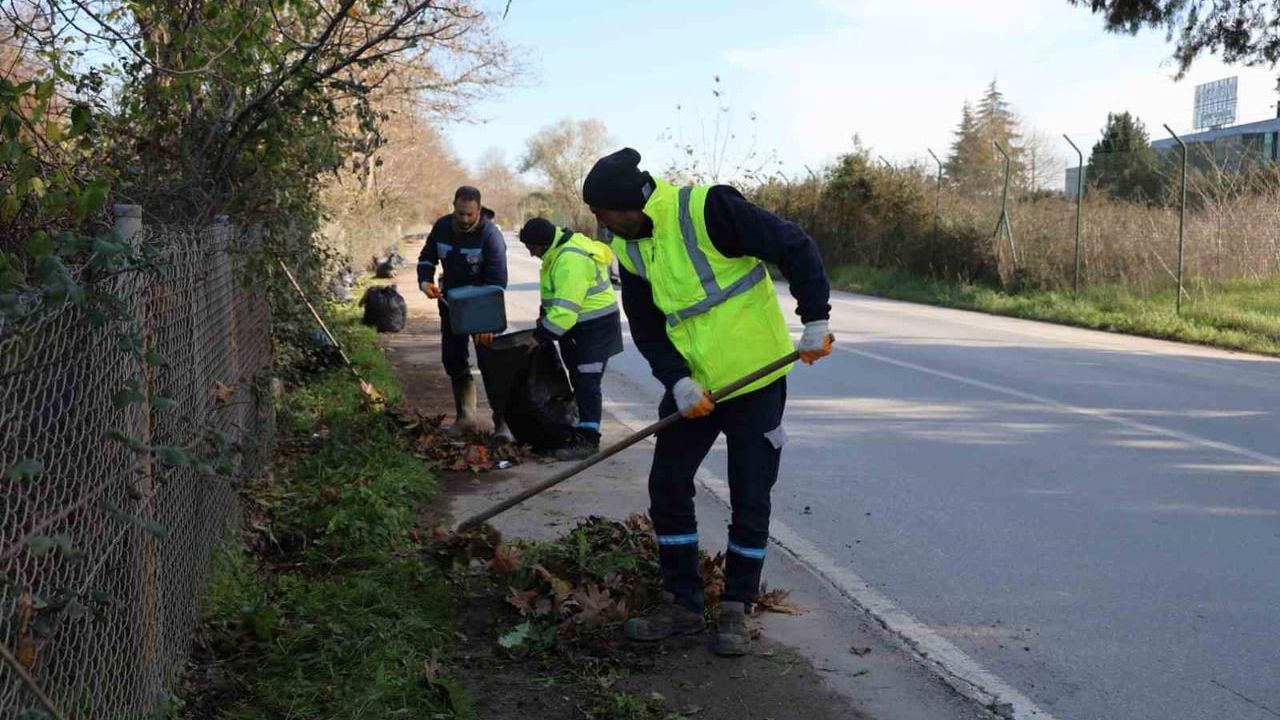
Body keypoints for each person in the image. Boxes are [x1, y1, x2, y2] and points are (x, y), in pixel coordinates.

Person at [582, 147, 833, 656]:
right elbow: (648, 325)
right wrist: (676, 380)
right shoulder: (629, 249)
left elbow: (795, 245)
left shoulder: (708, 209)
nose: (600, 225)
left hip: (755, 381)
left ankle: (737, 607)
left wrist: (816, 319)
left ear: (629, 205)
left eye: (603, 215)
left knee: (751, 492)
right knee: (668, 484)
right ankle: (683, 603)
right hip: (697, 388)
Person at [517, 218, 623, 460]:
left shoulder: (569, 260)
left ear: (543, 244)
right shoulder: (557, 251)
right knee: (578, 376)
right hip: (580, 328)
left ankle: (588, 440)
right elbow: (557, 299)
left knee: (587, 381)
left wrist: (540, 336)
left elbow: (566, 311)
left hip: (594, 328)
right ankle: (581, 426)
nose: (531, 254)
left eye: (531, 248)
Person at [417, 186, 513, 441]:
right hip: (451, 305)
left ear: (479, 211)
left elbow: (497, 281)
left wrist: (486, 323)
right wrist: (425, 282)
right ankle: (466, 418)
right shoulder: (442, 227)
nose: (464, 219)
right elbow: (427, 258)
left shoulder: (491, 236)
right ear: (454, 207)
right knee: (453, 359)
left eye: (470, 215)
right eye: (460, 213)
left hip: (483, 309)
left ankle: (503, 423)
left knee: (490, 363)